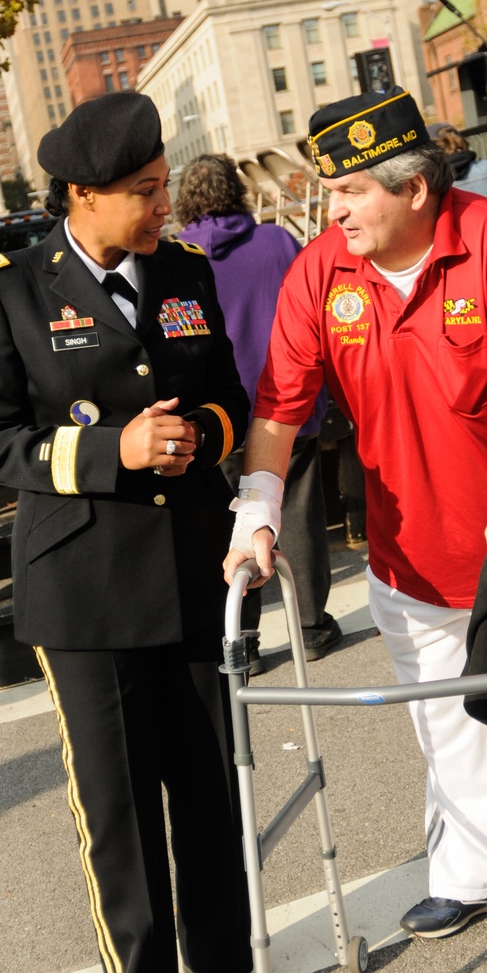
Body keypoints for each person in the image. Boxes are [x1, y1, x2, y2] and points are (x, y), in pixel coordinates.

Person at [225, 85, 487, 945]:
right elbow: (280, 408)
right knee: (443, 716)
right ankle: (474, 870)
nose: (334, 210)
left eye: (351, 192)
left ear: (416, 191)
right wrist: (258, 511)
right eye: (330, 193)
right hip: (408, 552)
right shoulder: (323, 270)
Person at [0, 93, 256, 973]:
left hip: (191, 570)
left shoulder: (185, 275)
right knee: (117, 823)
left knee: (210, 795)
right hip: (83, 595)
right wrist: (107, 453)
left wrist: (203, 439)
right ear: (81, 198)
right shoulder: (8, 293)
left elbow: (231, 395)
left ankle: (228, 968)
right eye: (142, 192)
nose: (162, 203)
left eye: (164, 183)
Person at [176, 153, 340, 667]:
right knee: (298, 512)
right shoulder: (276, 242)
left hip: (218, 414)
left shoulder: (177, 255)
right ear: (238, 191)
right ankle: (310, 626)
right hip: (287, 402)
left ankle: (241, 642)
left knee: (229, 527)